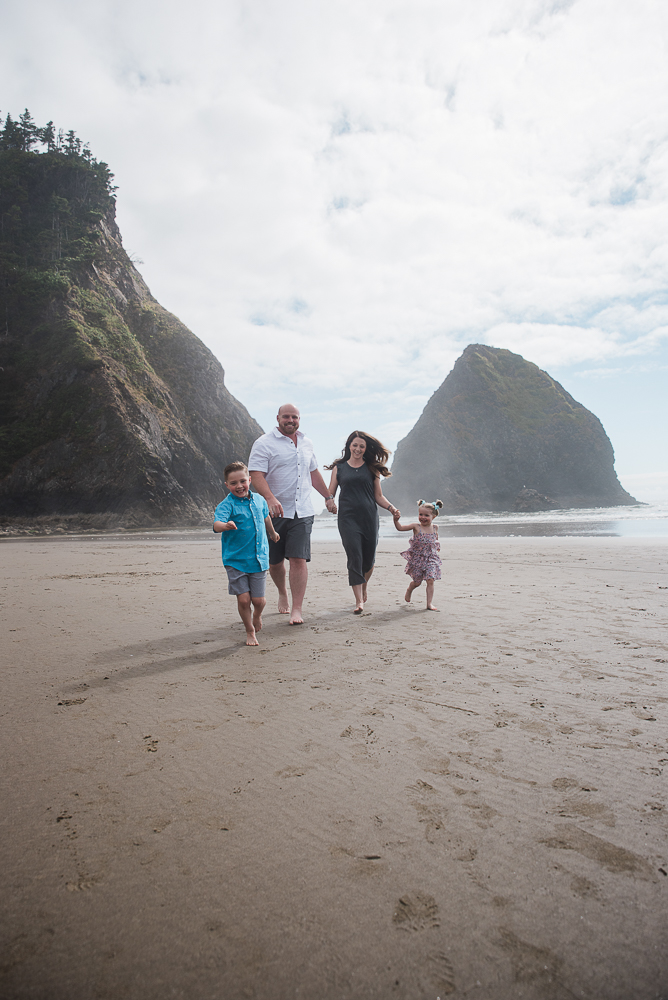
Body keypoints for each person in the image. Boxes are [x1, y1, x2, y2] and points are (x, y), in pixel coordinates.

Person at [248, 404, 336, 625]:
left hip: (303, 511)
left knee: (298, 559)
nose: (290, 420)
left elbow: (313, 472)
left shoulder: (307, 443)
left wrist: (327, 496)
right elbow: (256, 474)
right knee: (275, 562)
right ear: (278, 418)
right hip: (274, 513)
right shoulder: (263, 443)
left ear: (299, 419)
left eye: (294, 417)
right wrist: (269, 497)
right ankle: (282, 592)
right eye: (286, 416)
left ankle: (297, 609)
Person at [326, 431, 399, 614]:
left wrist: (391, 509)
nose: (358, 449)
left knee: (368, 559)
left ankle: (364, 586)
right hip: (348, 519)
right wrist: (330, 502)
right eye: (355, 445)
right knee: (355, 557)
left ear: (365, 449)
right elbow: (330, 494)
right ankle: (359, 601)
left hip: (368, 518)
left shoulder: (371, 469)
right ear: (349, 446)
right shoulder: (339, 468)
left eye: (361, 446)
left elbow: (379, 496)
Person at [213, 462, 280, 646]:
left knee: (259, 601)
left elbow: (265, 515)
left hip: (258, 558)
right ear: (227, 485)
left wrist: (272, 533)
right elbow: (216, 524)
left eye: (243, 481)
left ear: (249, 480)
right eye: (234, 483)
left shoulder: (259, 500)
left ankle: (257, 616)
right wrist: (225, 526)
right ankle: (250, 630)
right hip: (235, 560)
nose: (239, 486)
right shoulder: (227, 505)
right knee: (244, 600)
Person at [393, 500, 443, 611]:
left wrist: (435, 548)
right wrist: (396, 520)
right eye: (420, 514)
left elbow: (435, 540)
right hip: (418, 559)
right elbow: (400, 528)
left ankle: (429, 604)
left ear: (433, 516)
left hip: (431, 558)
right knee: (417, 582)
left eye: (426, 515)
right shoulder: (416, 527)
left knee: (430, 579)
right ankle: (410, 589)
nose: (423, 517)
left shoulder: (435, 528)